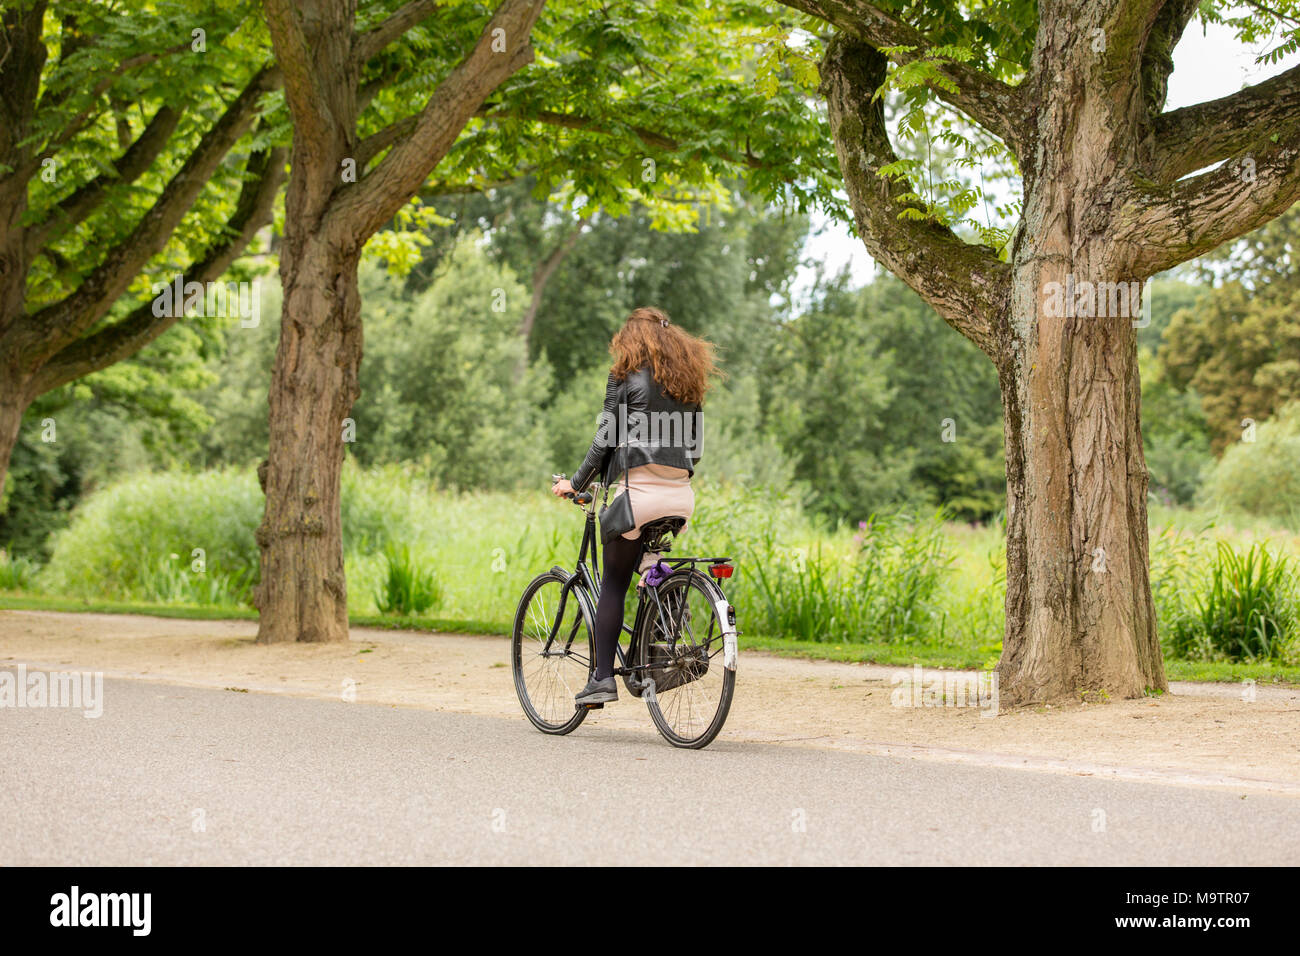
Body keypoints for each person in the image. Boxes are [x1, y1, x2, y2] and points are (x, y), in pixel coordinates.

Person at [551, 306, 718, 705]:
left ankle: (602, 679)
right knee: (650, 564)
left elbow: (604, 439)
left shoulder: (623, 376)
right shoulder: (687, 385)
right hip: (681, 497)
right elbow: (693, 451)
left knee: (612, 584)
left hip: (638, 497)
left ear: (630, 341)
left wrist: (573, 483)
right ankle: (662, 634)